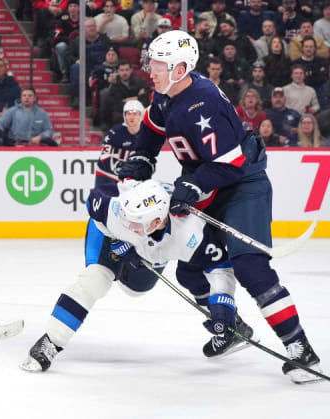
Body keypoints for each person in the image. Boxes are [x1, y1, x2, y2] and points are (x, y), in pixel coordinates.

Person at [117, 30, 323, 384]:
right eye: (151, 62)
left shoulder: (203, 102)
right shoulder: (167, 93)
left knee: (250, 268)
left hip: (242, 186)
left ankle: (301, 349)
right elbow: (152, 127)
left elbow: (230, 163)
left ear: (181, 68)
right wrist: (141, 157)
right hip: (210, 184)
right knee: (191, 270)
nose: (151, 69)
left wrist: (193, 185)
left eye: (158, 65)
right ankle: (232, 329)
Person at [21, 179, 256, 372]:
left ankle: (232, 323)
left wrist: (223, 302)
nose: (128, 225)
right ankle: (51, 341)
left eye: (135, 224)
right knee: (95, 280)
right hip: (110, 236)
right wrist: (119, 239)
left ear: (157, 221)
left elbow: (219, 268)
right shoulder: (118, 212)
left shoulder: (190, 234)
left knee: (137, 290)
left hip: (153, 251)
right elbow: (95, 202)